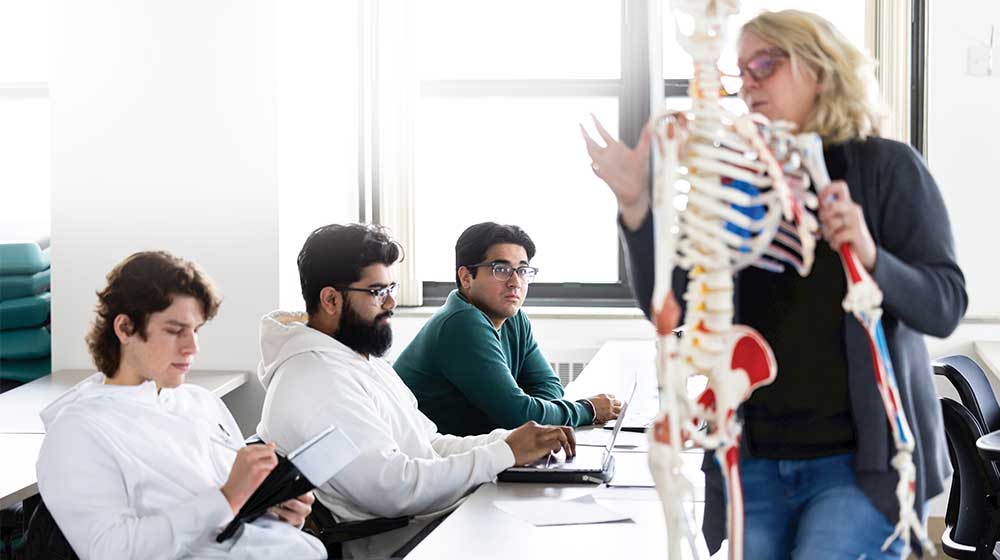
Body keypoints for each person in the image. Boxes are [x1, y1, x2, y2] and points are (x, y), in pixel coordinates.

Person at [582, 10, 967, 559]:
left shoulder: (886, 167)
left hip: (859, 464)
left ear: (821, 69)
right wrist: (637, 207)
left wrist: (871, 255)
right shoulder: (738, 179)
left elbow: (945, 304)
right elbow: (672, 304)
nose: (748, 84)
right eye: (741, 72)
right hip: (755, 459)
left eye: (765, 64)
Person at [255, 223, 575, 557]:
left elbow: (429, 444)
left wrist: (510, 442)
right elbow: (393, 489)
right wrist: (503, 454)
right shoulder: (317, 381)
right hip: (400, 542)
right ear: (331, 299)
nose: (392, 301)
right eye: (377, 291)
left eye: (391, 287)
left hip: (431, 521)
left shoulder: (359, 358)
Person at [36, 251, 325, 559]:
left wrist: (277, 513)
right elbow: (111, 551)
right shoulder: (77, 432)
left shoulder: (201, 402)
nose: (192, 347)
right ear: (125, 328)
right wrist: (228, 497)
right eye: (175, 331)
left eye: (196, 331)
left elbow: (234, 517)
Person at [395, 222, 621, 436]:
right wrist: (588, 409)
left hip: (474, 449)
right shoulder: (461, 323)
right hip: (430, 456)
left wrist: (535, 416)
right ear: (466, 278)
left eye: (522, 270)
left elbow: (547, 384)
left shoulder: (514, 318)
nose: (515, 282)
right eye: (501, 269)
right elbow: (519, 416)